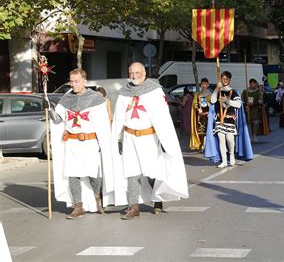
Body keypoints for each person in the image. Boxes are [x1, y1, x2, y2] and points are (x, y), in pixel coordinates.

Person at [112, 62, 188, 219]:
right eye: (131, 72)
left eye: (137, 73)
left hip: (148, 138)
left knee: (151, 171)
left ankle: (158, 199)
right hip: (129, 137)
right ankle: (134, 207)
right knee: (131, 172)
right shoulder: (124, 92)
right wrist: (117, 138)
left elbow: (162, 117)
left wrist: (166, 140)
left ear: (144, 73)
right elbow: (118, 116)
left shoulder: (154, 91)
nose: (134, 76)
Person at [50, 68, 114, 219]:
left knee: (93, 174)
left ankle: (98, 199)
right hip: (72, 143)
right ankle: (78, 207)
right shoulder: (66, 98)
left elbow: (102, 124)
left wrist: (103, 142)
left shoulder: (96, 98)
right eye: (71, 81)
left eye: (76, 81)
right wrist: (50, 110)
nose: (73, 84)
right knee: (73, 175)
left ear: (84, 81)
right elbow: (58, 120)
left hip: (90, 142)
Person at [204, 71, 253, 168]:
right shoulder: (218, 91)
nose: (224, 80)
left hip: (230, 120)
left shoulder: (234, 92)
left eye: (226, 78)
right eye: (223, 78)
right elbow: (213, 100)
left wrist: (227, 101)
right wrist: (216, 90)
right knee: (221, 140)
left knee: (229, 139)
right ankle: (224, 161)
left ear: (229, 79)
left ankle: (231, 155)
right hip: (219, 120)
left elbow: (238, 105)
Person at [190, 78, 212, 151]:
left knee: (207, 130)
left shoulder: (210, 94)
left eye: (205, 84)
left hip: (208, 114)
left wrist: (210, 111)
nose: (204, 85)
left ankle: (207, 146)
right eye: (202, 84)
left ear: (208, 85)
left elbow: (213, 104)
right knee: (200, 131)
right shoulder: (198, 94)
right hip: (200, 115)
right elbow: (195, 103)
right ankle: (201, 145)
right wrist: (197, 108)